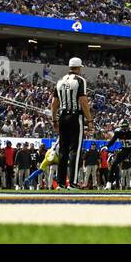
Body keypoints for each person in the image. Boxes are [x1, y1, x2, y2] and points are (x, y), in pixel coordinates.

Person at [51, 56, 91, 190]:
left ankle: (61, 183)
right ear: (79, 68)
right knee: (75, 150)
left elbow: (54, 103)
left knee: (63, 151)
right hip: (75, 116)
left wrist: (54, 119)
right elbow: (83, 101)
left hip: (62, 116)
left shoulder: (60, 81)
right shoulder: (80, 80)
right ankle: (73, 182)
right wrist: (89, 119)